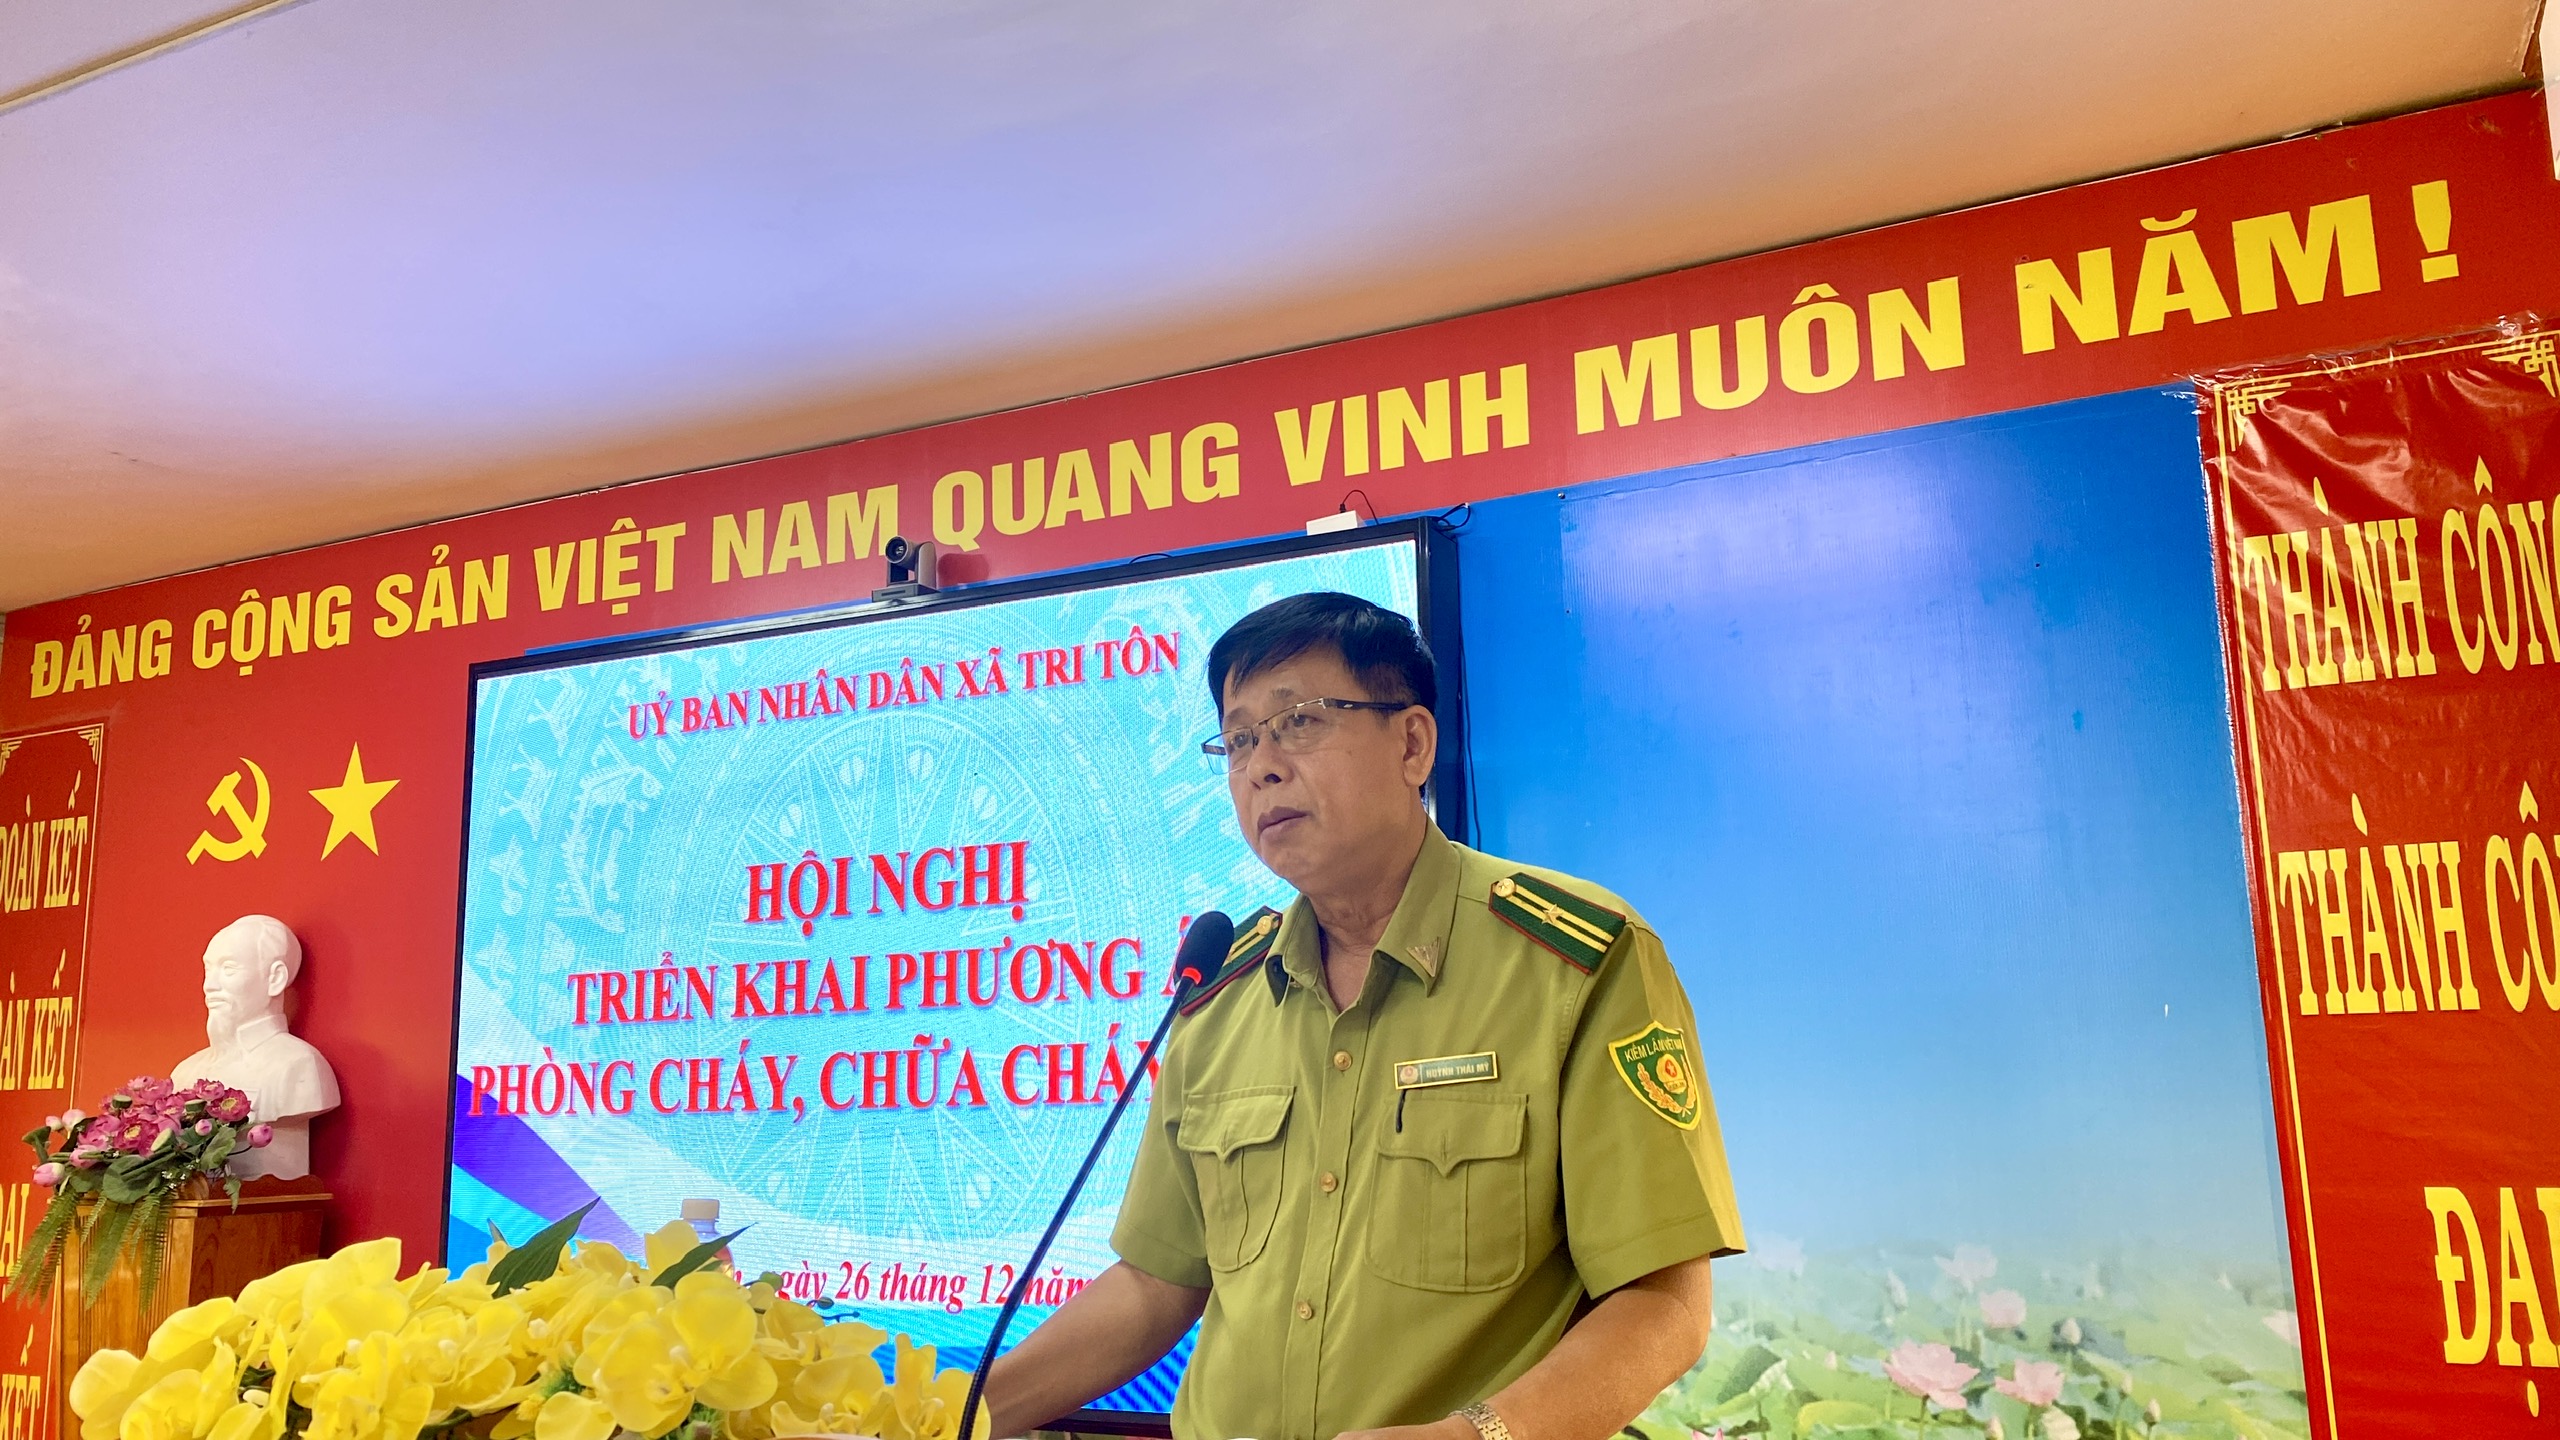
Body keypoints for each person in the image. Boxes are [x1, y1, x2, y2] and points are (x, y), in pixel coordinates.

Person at [985, 593, 1743, 1440]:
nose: (1261, 767)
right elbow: (1156, 1285)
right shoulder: (1221, 995)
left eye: (1298, 722)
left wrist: (1476, 1436)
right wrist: (951, 1418)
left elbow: (1664, 1305)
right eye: (1239, 741)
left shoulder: (1574, 963)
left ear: (1412, 743)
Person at [169, 914, 341, 1179]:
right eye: (208, 970)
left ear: (275, 978)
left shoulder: (300, 1066)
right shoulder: (186, 1072)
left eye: (228, 969)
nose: (209, 986)